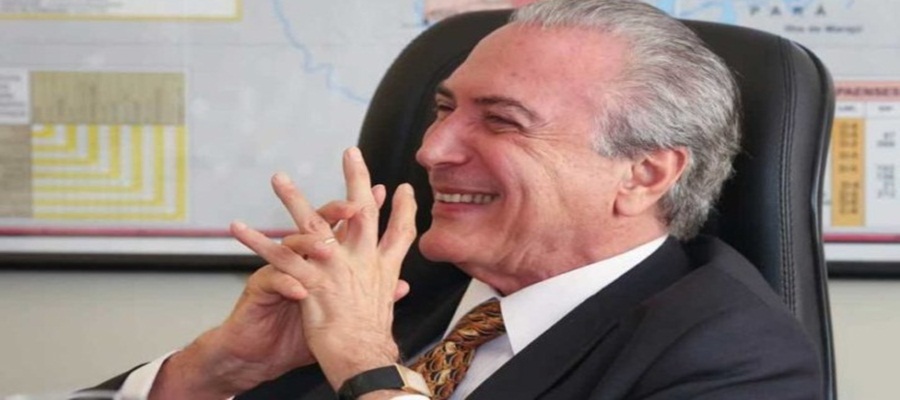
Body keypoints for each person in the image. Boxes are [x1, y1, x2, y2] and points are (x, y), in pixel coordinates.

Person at [93, 0, 823, 398]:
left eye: (501, 121)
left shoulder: (734, 356)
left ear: (644, 175)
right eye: (444, 109)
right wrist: (217, 368)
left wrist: (367, 368)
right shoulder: (393, 290)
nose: (432, 149)